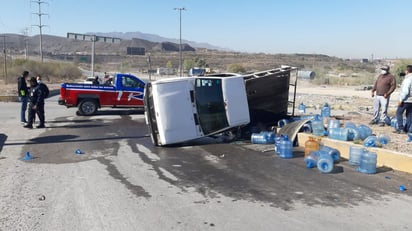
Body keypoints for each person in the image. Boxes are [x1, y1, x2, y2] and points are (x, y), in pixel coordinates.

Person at [394, 65, 412, 133]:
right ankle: (407, 129)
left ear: (407, 71)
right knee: (409, 115)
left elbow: (405, 91)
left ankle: (401, 128)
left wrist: (400, 99)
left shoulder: (408, 79)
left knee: (399, 113)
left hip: (406, 100)